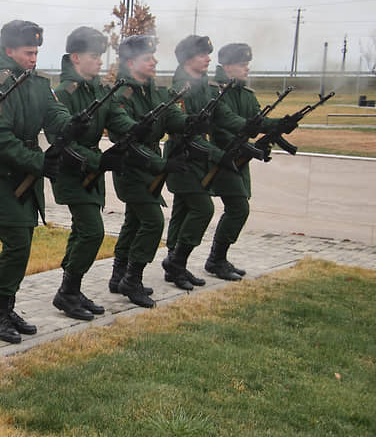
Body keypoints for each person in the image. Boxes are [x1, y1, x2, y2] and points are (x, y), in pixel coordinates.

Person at [0, 20, 86, 344]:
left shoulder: (37, 81)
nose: (34, 57)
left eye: (37, 51)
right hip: (5, 175)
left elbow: (53, 112)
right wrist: (40, 162)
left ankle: (7, 306)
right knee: (16, 246)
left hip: (28, 172)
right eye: (28, 52)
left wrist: (72, 123)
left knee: (22, 243)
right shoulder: (0, 83)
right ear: (9, 50)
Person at [49, 27, 136, 320]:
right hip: (72, 172)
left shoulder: (99, 90)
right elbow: (62, 141)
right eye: (94, 56)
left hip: (92, 171)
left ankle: (71, 288)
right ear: (75, 57)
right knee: (92, 231)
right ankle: (67, 292)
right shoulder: (62, 93)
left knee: (82, 231)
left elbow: (116, 118)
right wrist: (96, 162)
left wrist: (135, 128)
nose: (101, 61)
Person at [163, 35, 251, 289]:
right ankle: (176, 262)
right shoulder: (180, 88)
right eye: (203, 55)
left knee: (183, 210)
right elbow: (183, 131)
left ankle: (176, 264)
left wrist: (255, 125)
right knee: (201, 209)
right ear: (189, 58)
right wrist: (216, 154)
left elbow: (223, 117)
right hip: (183, 158)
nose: (209, 59)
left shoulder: (204, 87)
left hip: (200, 158)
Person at [108, 35, 188, 308]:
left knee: (134, 222)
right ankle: (132, 279)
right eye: (148, 58)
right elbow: (126, 140)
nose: (154, 62)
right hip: (131, 168)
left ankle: (119, 274)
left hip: (150, 164)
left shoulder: (155, 91)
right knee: (153, 221)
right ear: (131, 62)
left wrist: (192, 122)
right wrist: (160, 164)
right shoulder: (121, 95)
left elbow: (173, 118)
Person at [205, 43, 268, 279]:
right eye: (243, 65)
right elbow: (220, 129)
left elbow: (258, 123)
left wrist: (276, 129)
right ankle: (214, 260)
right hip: (221, 160)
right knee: (238, 208)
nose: (247, 69)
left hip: (240, 159)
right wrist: (248, 146)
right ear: (228, 66)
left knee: (238, 208)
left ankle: (218, 259)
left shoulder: (246, 95)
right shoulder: (215, 91)